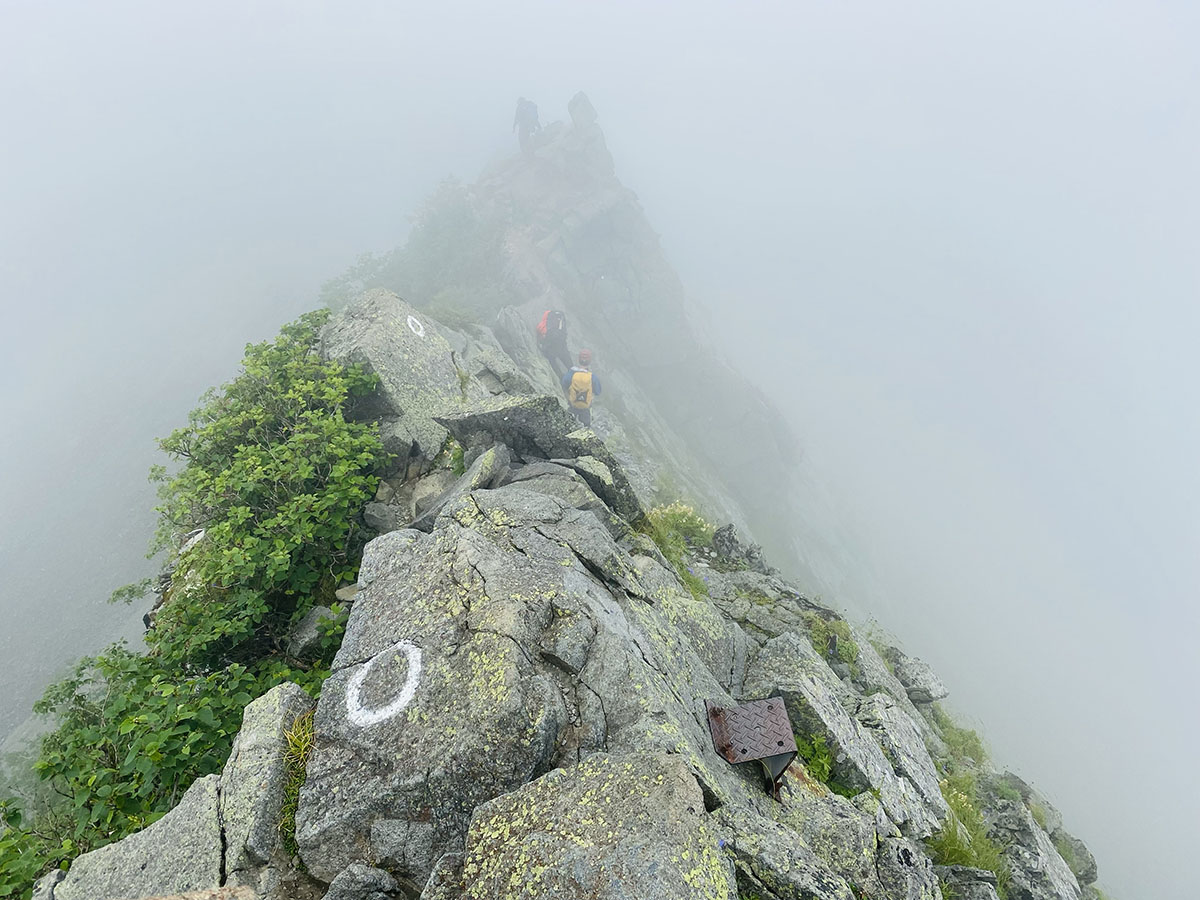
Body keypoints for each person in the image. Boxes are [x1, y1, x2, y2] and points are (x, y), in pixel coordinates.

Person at [562, 349, 601, 427]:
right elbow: (598, 391)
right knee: (586, 429)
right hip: (585, 409)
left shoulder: (571, 373)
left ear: (579, 359)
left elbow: (564, 383)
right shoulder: (592, 377)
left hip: (572, 406)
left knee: (566, 425)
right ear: (590, 361)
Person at [536, 309, 572, 376]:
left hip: (550, 349)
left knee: (554, 367)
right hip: (561, 347)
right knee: (570, 367)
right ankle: (574, 379)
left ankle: (561, 378)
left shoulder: (541, 325)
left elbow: (540, 339)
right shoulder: (560, 324)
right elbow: (563, 335)